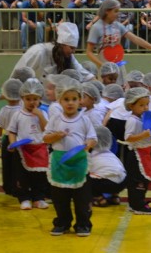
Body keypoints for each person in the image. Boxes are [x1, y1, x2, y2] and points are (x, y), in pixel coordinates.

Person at [43, 79, 97, 236]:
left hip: (79, 163)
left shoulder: (85, 119)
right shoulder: (55, 119)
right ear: (59, 100)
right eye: (66, 99)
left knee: (82, 198)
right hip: (60, 163)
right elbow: (45, 138)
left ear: (79, 100)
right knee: (60, 198)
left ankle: (83, 224)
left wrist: (89, 143)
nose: (70, 103)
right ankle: (62, 222)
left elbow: (93, 138)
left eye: (74, 99)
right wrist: (55, 135)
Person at [11, 22, 95, 104]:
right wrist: (13, 96)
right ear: (61, 45)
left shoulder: (68, 57)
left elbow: (84, 74)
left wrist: (98, 88)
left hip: (50, 103)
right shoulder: (38, 52)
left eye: (74, 49)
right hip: (31, 101)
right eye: (71, 48)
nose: (73, 52)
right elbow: (18, 75)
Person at [86, 0, 151, 69]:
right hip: (104, 66)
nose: (118, 14)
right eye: (115, 11)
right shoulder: (96, 27)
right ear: (107, 11)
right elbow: (89, 52)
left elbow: (135, 39)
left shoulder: (118, 25)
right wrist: (102, 65)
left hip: (118, 64)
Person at [7, 78, 49, 210]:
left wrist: (40, 116)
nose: (32, 102)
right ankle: (24, 198)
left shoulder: (43, 113)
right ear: (22, 98)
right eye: (28, 99)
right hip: (22, 150)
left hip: (39, 148)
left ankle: (38, 198)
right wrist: (12, 144)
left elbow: (46, 129)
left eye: (35, 99)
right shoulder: (17, 114)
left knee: (40, 176)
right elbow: (11, 131)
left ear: (40, 98)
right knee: (22, 176)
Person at [124, 87, 151, 214]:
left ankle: (139, 201)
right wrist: (144, 135)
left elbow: (149, 136)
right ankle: (137, 205)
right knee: (138, 180)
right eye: (141, 105)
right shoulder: (132, 120)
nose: (145, 108)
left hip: (145, 152)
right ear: (131, 105)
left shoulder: (143, 119)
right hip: (136, 154)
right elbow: (128, 138)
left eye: (147, 104)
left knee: (145, 179)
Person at [0, 78, 22, 195]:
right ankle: (18, 187)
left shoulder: (4, 110)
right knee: (18, 165)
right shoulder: (22, 109)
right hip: (19, 140)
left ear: (5, 95)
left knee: (7, 165)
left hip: (7, 140)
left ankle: (7, 186)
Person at [89, 126, 127, 207]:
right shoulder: (112, 155)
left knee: (86, 179)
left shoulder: (92, 156)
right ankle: (115, 196)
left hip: (107, 184)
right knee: (111, 175)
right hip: (123, 183)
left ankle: (100, 199)